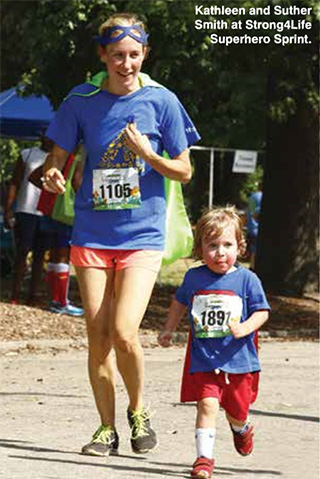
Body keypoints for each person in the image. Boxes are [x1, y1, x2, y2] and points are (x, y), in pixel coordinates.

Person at [41, 12, 200, 457]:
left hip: (142, 234)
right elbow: (56, 160)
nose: (125, 64)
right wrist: (54, 173)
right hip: (91, 234)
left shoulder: (162, 101)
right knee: (98, 336)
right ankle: (106, 428)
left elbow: (185, 170)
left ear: (145, 54)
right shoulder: (80, 100)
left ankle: (138, 410)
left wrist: (149, 154)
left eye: (133, 55)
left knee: (125, 331)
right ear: (102, 55)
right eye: (117, 56)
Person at [158, 206, 270, 479]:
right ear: (200, 249)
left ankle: (241, 429)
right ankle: (204, 459)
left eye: (227, 244)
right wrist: (168, 329)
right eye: (212, 245)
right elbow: (179, 302)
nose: (220, 252)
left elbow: (262, 312)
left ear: (240, 247)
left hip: (238, 361)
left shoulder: (247, 279)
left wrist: (245, 327)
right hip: (204, 359)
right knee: (206, 405)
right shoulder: (194, 277)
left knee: (237, 412)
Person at [4, 134, 53, 304]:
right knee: (22, 252)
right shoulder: (27, 154)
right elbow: (15, 182)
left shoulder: (59, 157)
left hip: (48, 213)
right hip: (26, 209)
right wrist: (8, 209)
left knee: (40, 255)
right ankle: (15, 293)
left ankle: (33, 294)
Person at [246, 182, 263, 270]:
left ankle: (252, 266)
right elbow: (257, 213)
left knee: (253, 249)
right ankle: (254, 268)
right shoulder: (262, 197)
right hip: (257, 227)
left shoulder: (252, 197)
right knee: (256, 250)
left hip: (251, 227)